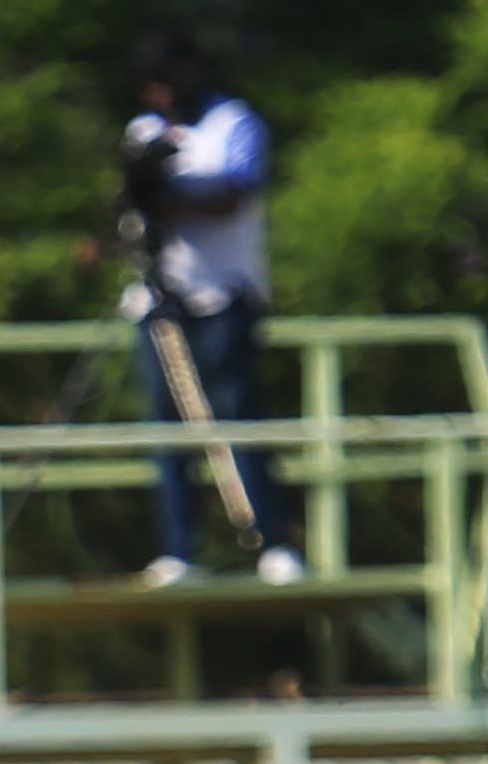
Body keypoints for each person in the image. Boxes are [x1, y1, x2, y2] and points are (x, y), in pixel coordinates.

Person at [122, 34, 306, 585]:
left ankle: (273, 541)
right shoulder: (142, 132)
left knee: (238, 417)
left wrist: (170, 192)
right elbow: (129, 210)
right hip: (158, 301)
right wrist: (136, 196)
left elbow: (232, 196)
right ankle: (179, 551)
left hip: (224, 294)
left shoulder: (232, 122)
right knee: (167, 431)